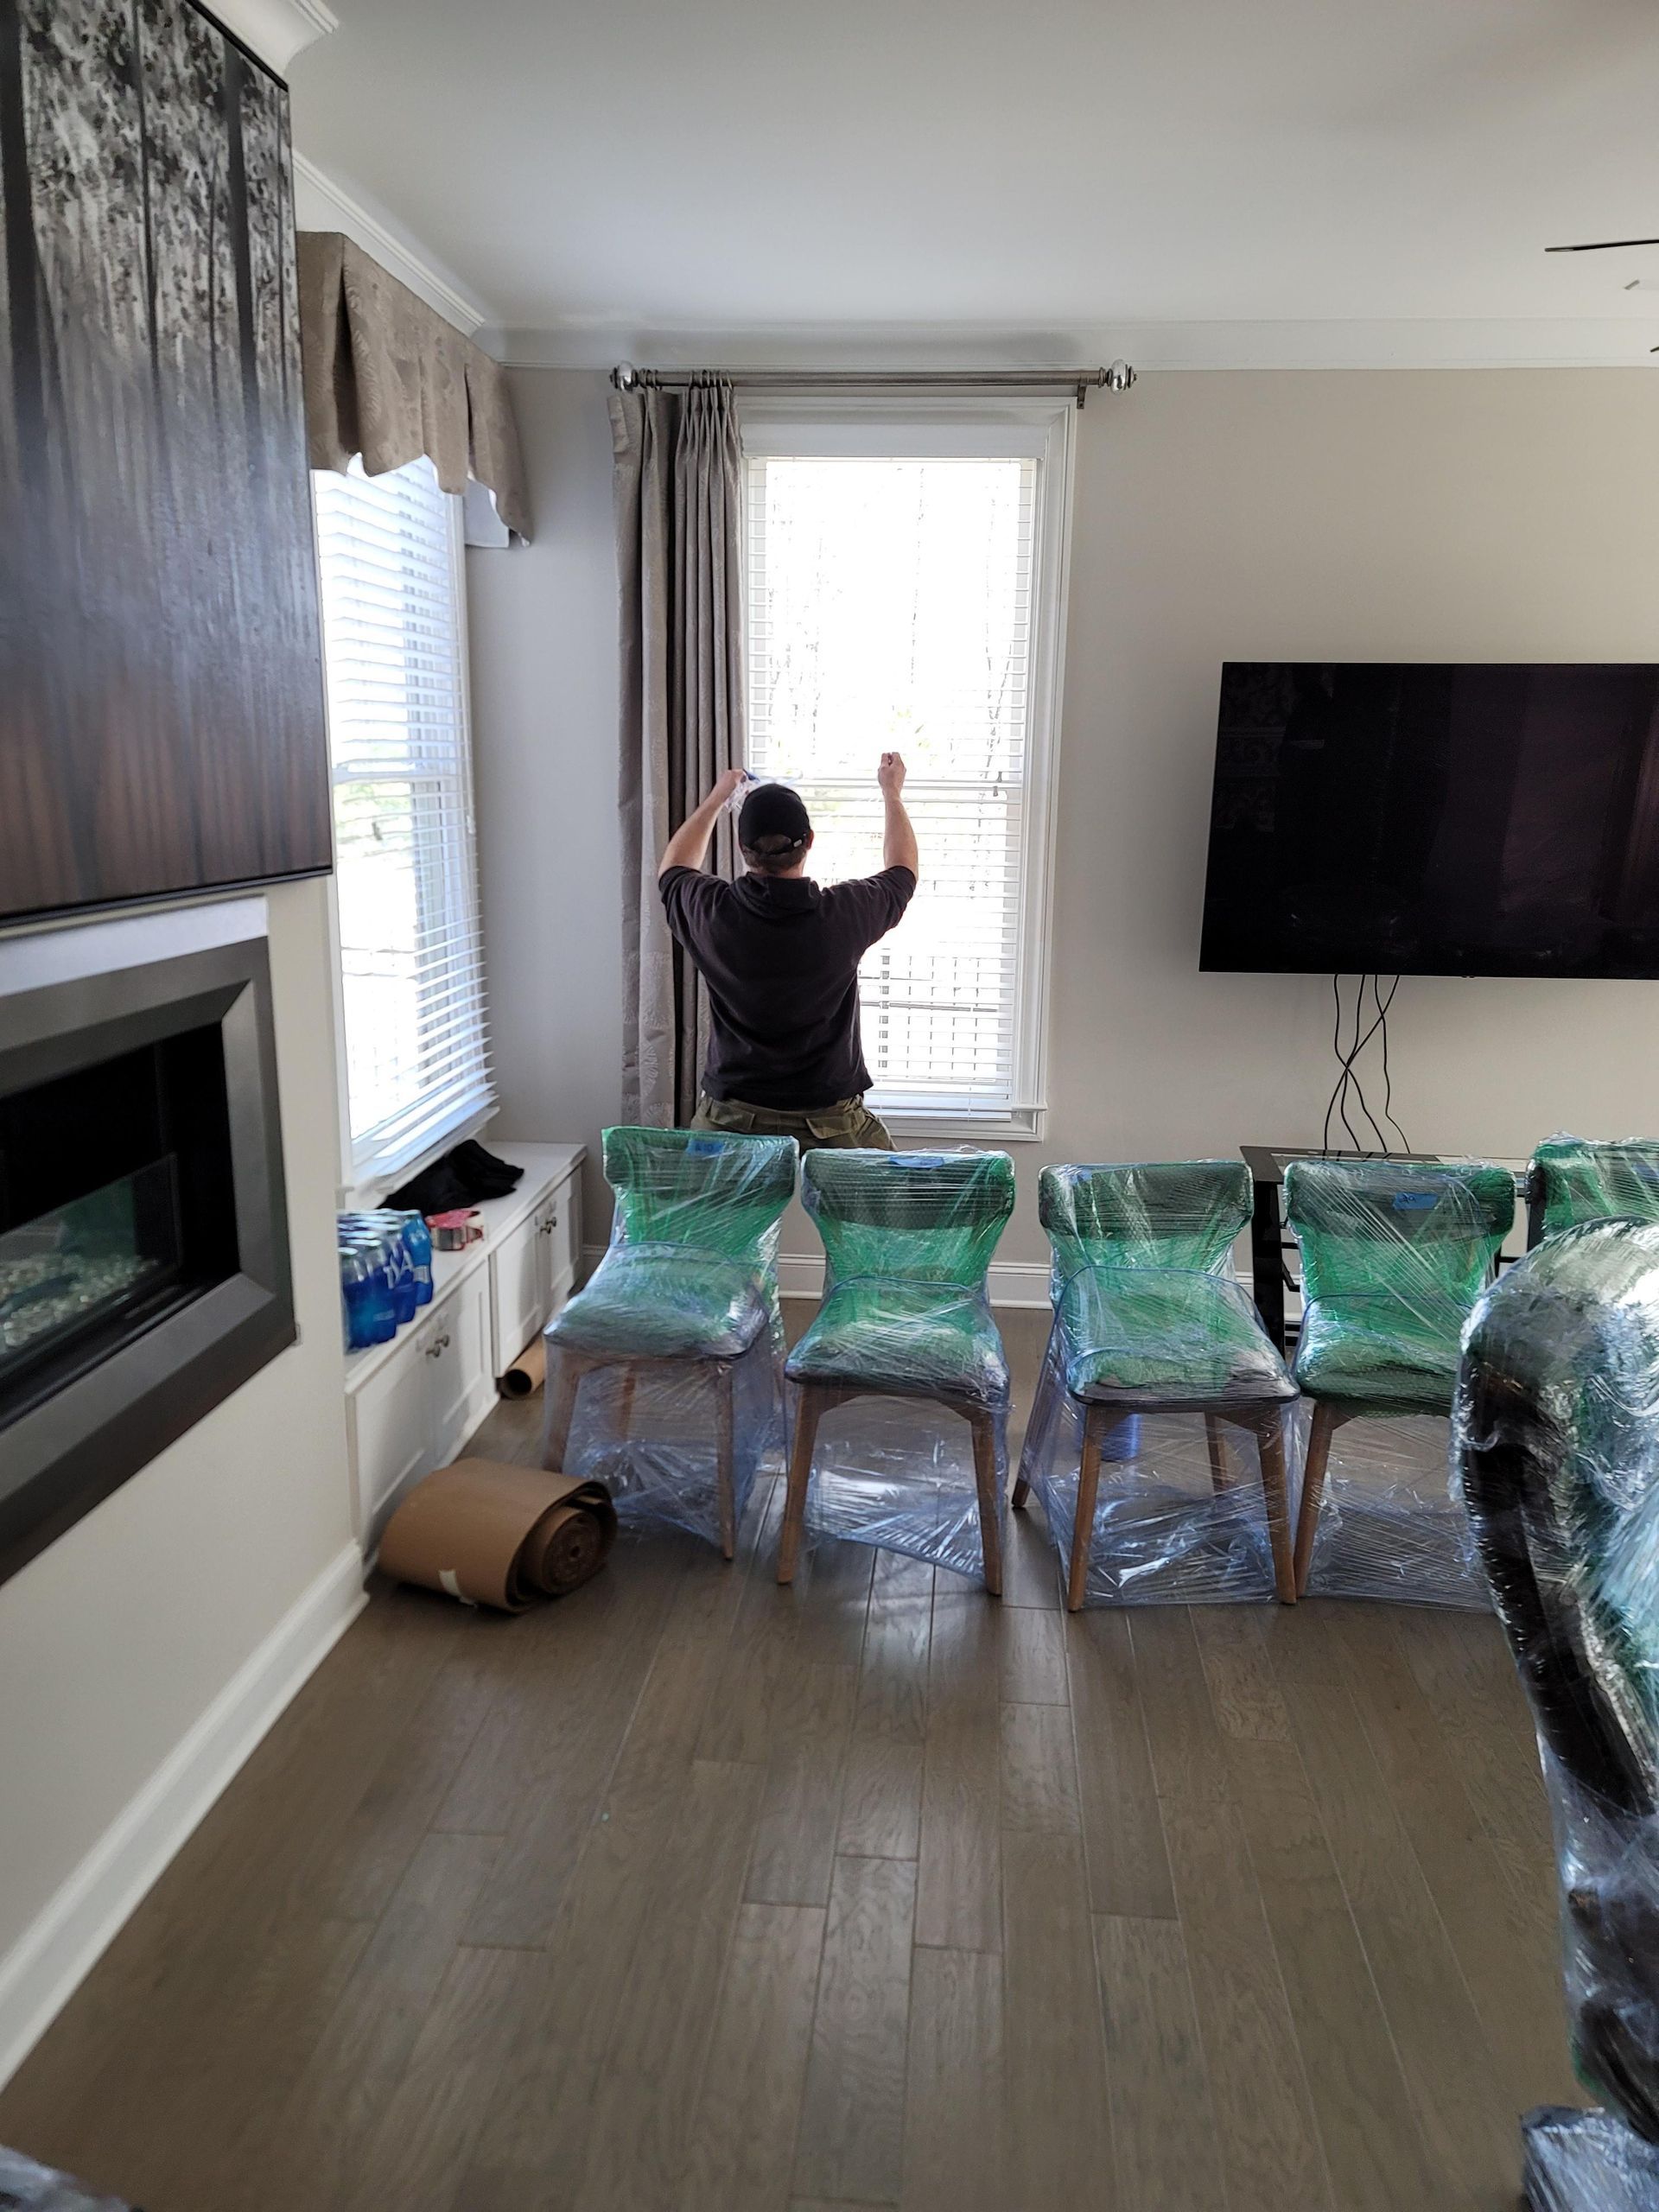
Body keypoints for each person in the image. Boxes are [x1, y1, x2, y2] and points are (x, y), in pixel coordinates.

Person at [658, 752, 918, 1151]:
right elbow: (902, 870)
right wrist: (892, 793)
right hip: (831, 1119)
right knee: (883, 1208)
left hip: (731, 1118)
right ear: (809, 842)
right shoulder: (844, 914)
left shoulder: (712, 913)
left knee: (706, 1215)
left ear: (743, 848)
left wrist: (716, 799)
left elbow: (673, 869)